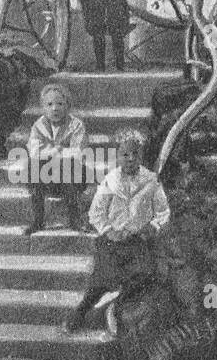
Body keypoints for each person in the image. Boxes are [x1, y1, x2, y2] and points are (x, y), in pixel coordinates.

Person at [65, 129, 170, 333]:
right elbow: (95, 213)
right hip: (112, 241)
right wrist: (108, 230)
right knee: (101, 281)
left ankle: (116, 306)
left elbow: (163, 211)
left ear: (141, 156)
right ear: (117, 156)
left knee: (146, 274)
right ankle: (80, 312)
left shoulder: (151, 181)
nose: (131, 159)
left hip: (137, 240)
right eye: (125, 154)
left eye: (135, 154)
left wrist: (151, 227)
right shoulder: (110, 180)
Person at [23, 82, 91, 235]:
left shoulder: (76, 125)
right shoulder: (38, 126)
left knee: (68, 167)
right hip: (48, 177)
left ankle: (75, 219)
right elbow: (34, 151)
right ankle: (37, 220)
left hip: (73, 177)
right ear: (43, 107)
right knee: (33, 167)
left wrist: (50, 153)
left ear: (67, 105)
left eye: (60, 103)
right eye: (50, 104)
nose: (55, 108)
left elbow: (77, 152)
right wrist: (57, 150)